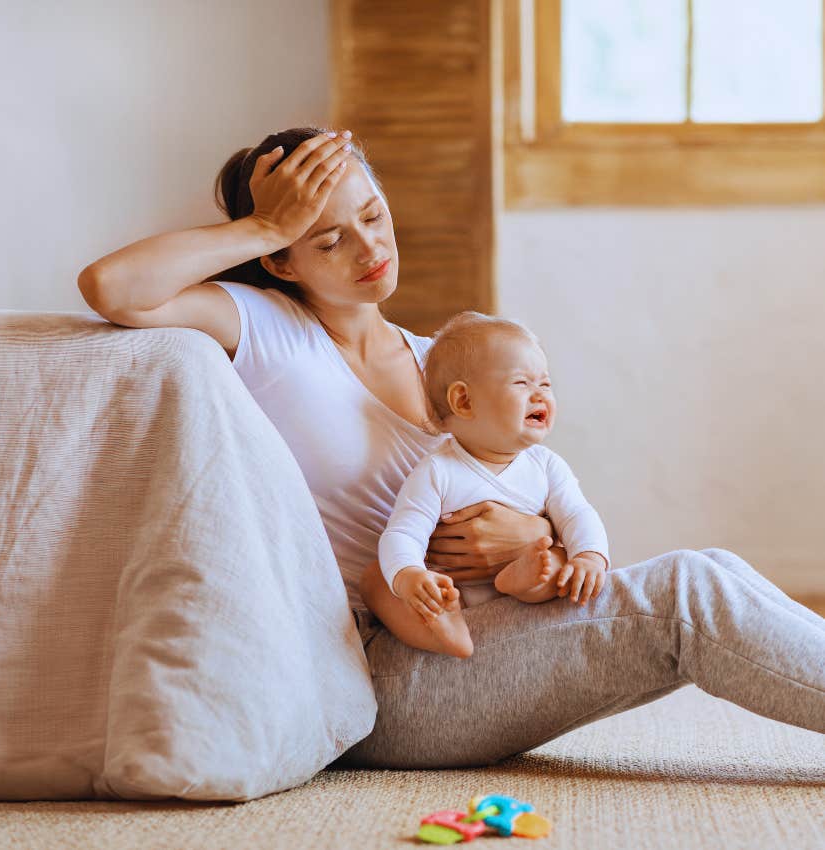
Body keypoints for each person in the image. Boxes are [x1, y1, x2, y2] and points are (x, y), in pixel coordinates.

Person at [78, 126, 825, 771]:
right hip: (391, 673)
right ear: (283, 260)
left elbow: (538, 489)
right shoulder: (268, 331)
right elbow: (114, 288)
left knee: (715, 572)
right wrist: (267, 225)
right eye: (328, 238)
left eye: (373, 214)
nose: (369, 248)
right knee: (690, 595)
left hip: (492, 624)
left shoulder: (444, 363)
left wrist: (537, 534)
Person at [370, 310, 610, 659]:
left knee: (556, 562)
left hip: (525, 597)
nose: (540, 394)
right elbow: (403, 533)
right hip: (458, 596)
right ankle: (442, 627)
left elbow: (577, 514)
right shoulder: (438, 471)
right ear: (464, 401)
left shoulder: (545, 466)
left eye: (545, 383)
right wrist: (409, 575)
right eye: (521, 383)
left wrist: (590, 556)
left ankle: (520, 580)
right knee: (379, 578)